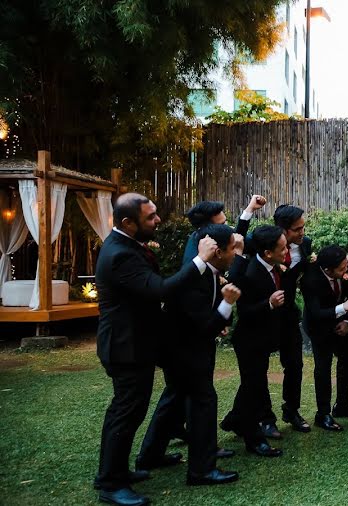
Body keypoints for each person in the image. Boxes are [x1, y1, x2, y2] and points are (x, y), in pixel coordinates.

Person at [93, 193, 216, 506]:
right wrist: (200, 260)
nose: (158, 220)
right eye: (150, 217)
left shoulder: (127, 246)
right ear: (127, 223)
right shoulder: (120, 254)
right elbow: (158, 289)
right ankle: (110, 482)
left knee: (131, 410)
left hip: (141, 342)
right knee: (125, 412)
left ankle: (124, 467)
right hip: (125, 347)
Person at [136, 223, 241, 487]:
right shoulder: (196, 279)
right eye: (232, 250)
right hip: (185, 352)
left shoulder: (208, 273)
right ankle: (201, 470)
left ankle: (149, 455)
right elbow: (205, 328)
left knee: (173, 401)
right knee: (203, 402)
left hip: (180, 349)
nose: (235, 255)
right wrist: (227, 305)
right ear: (217, 252)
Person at [220, 225, 288, 457]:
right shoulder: (252, 271)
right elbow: (245, 311)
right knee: (254, 389)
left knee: (252, 384)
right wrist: (268, 303)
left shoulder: (271, 266)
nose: (287, 250)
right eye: (282, 247)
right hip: (249, 340)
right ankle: (255, 440)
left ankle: (233, 420)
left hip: (263, 339)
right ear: (268, 252)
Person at [300, 245, 348, 432]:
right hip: (318, 327)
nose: (345, 270)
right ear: (327, 270)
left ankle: (342, 404)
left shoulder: (345, 269)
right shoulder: (310, 280)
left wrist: (347, 321)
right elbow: (316, 313)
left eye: (345, 265)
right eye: (341, 269)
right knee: (323, 368)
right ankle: (322, 414)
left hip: (340, 324)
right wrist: (343, 309)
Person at [181, 195, 265, 265]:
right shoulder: (194, 258)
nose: (227, 227)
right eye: (222, 224)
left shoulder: (217, 237)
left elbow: (237, 238)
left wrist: (250, 209)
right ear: (207, 229)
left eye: (226, 222)